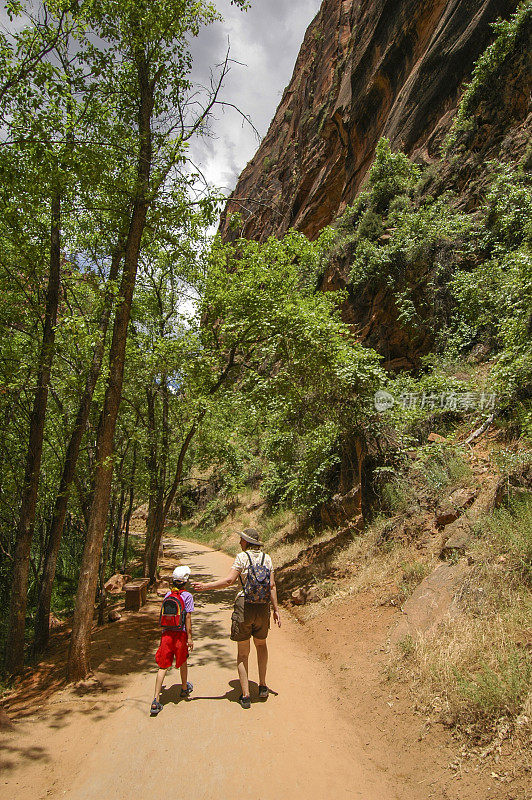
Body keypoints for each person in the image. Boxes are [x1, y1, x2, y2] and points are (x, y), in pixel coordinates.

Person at [193, 528, 281, 709]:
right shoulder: (268, 558)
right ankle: (263, 686)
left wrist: (206, 586)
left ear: (247, 542)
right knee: (261, 645)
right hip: (262, 607)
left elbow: (229, 581)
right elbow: (271, 585)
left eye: (241, 540)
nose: (240, 542)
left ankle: (246, 694)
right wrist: (276, 609)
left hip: (244, 606)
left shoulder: (242, 558)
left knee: (243, 653)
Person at [150, 565, 194, 716]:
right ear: (185, 582)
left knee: (163, 666)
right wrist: (190, 637)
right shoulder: (187, 596)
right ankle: (183, 688)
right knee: (182, 661)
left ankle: (156, 699)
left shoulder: (168, 594)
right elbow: (187, 617)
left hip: (166, 634)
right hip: (180, 634)